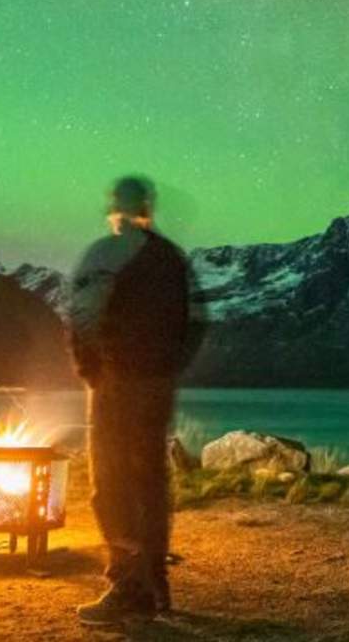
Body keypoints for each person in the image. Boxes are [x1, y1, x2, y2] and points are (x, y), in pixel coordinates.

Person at [64, 176, 205, 625]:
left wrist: (92, 369)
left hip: (117, 382)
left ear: (115, 207)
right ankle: (154, 582)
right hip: (157, 385)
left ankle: (128, 586)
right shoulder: (173, 258)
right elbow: (197, 318)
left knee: (112, 485)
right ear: (148, 207)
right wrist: (169, 366)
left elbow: (83, 315)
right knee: (150, 483)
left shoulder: (107, 252)